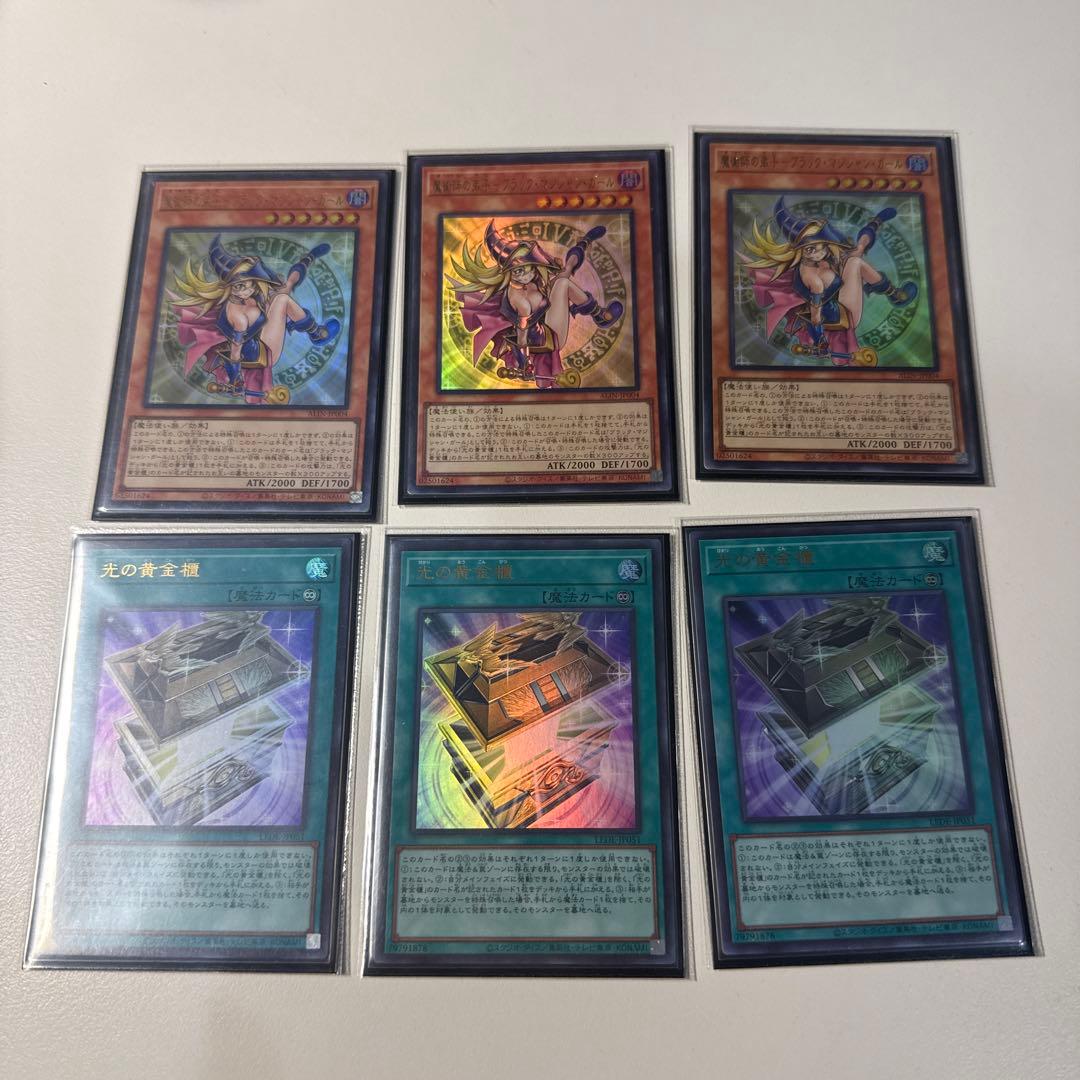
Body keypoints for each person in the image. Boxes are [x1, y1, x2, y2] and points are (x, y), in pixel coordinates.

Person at [739, 197, 917, 365]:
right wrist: (820, 343)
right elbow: (815, 317)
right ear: (801, 250)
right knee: (855, 262)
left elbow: (852, 251)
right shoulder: (812, 278)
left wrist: (872, 226)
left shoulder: (823, 258)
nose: (817, 253)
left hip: (838, 299)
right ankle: (895, 294)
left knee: (858, 250)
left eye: (819, 246)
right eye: (809, 250)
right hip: (842, 316)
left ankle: (875, 222)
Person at [448, 221, 622, 388]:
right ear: (509, 272)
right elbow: (522, 338)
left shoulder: (529, 281)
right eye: (518, 271)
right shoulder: (520, 302)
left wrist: (553, 266)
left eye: (529, 267)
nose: (526, 274)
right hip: (549, 338)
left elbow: (545, 269)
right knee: (563, 283)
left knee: (565, 271)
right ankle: (600, 315)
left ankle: (583, 242)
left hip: (546, 320)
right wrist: (524, 364)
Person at [170, 235, 340, 403]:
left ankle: (307, 259)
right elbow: (235, 351)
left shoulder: (249, 294)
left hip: (259, 335)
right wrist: (236, 380)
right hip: (262, 353)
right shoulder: (238, 316)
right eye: (237, 287)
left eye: (246, 284)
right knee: (283, 299)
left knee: (286, 287)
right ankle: (317, 333)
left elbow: (264, 289)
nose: (243, 291)